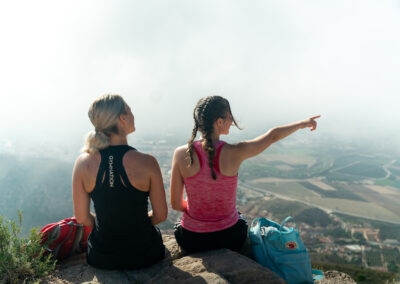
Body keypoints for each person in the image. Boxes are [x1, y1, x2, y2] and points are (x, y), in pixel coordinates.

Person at [170, 95, 319, 253]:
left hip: (193, 239)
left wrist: (199, 207)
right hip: (230, 237)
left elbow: (176, 204)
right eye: (229, 117)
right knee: (239, 219)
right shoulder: (236, 152)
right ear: (219, 122)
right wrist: (302, 124)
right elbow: (272, 136)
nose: (232, 122)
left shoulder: (181, 154)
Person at [72, 94, 167, 269]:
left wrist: (110, 225)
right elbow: (161, 215)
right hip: (146, 253)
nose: (133, 114)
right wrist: (133, 224)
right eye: (130, 110)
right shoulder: (147, 162)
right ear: (123, 118)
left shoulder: (82, 163)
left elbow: (82, 217)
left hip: (102, 257)